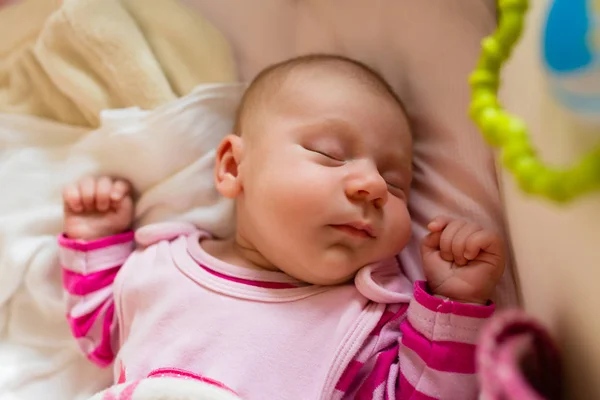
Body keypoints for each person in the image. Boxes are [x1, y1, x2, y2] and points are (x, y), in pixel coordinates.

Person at [59, 54, 505, 399]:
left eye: (395, 184)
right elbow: (100, 333)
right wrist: (93, 239)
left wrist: (451, 304)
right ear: (234, 167)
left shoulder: (367, 323)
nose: (372, 185)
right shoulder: (162, 266)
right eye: (330, 154)